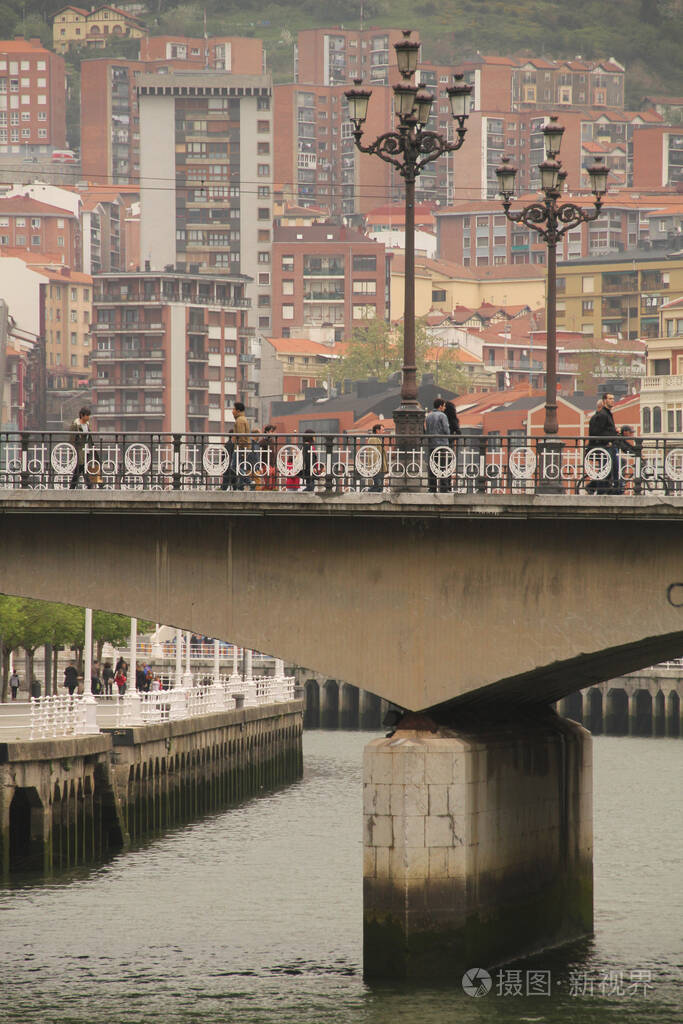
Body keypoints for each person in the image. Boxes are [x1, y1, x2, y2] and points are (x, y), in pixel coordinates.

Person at [587, 392, 618, 494]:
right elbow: (597, 432)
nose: (612, 400)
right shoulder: (603, 415)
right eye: (610, 398)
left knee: (608, 470)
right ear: (605, 400)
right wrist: (608, 440)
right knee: (606, 470)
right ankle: (601, 491)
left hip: (608, 446)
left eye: (613, 398)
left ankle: (607, 489)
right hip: (605, 447)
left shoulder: (607, 414)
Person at [221, 402, 250, 490]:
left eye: (233, 409)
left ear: (237, 410)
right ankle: (240, 487)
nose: (232, 411)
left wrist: (239, 448)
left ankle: (249, 481)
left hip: (240, 448)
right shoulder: (242, 419)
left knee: (234, 466)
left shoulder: (240, 420)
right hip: (242, 447)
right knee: (239, 467)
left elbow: (241, 436)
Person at [424, 398, 451, 493]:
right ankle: (443, 488)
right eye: (444, 406)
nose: (445, 407)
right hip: (442, 445)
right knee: (444, 466)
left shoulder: (428, 416)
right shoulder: (442, 416)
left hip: (431, 445)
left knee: (432, 467)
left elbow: (426, 430)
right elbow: (446, 430)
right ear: (440, 406)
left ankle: (432, 487)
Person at [69, 406, 93, 489]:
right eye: (87, 415)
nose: (88, 417)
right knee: (82, 466)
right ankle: (89, 485)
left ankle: (72, 486)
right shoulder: (75, 425)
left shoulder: (87, 425)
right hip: (78, 449)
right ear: (82, 415)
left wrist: (92, 446)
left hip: (86, 449)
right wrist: (72, 451)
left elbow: (89, 438)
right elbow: (71, 439)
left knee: (80, 468)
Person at [367, 423, 387, 493]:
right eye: (382, 430)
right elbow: (373, 453)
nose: (384, 432)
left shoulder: (377, 439)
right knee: (378, 485)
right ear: (377, 430)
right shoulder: (373, 439)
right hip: (377, 467)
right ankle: (367, 494)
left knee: (380, 486)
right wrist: (376, 466)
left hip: (379, 466)